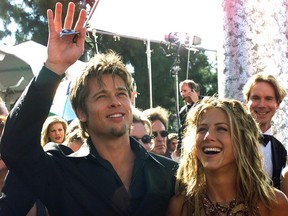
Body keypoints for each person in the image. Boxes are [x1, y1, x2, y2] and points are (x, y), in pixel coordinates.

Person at [0, 2, 177, 215]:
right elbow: (15, 145)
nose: (115, 102)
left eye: (121, 94)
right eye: (102, 96)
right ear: (80, 111)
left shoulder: (169, 173)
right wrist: (53, 67)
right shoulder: (61, 173)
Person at [166, 97, 288, 216]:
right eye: (202, 129)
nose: (208, 136)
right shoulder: (181, 207)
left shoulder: (273, 203)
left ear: (243, 140)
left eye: (221, 129)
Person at [243, 73, 287, 189]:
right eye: (256, 98)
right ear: (247, 101)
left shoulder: (280, 150)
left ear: (277, 104)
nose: (262, 105)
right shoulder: (233, 141)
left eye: (268, 98)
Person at [177, 80, 201, 157]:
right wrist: (179, 147)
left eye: (185, 91)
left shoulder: (206, 103)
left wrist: (196, 103)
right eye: (181, 91)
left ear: (194, 91)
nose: (182, 94)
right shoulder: (183, 111)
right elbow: (183, 130)